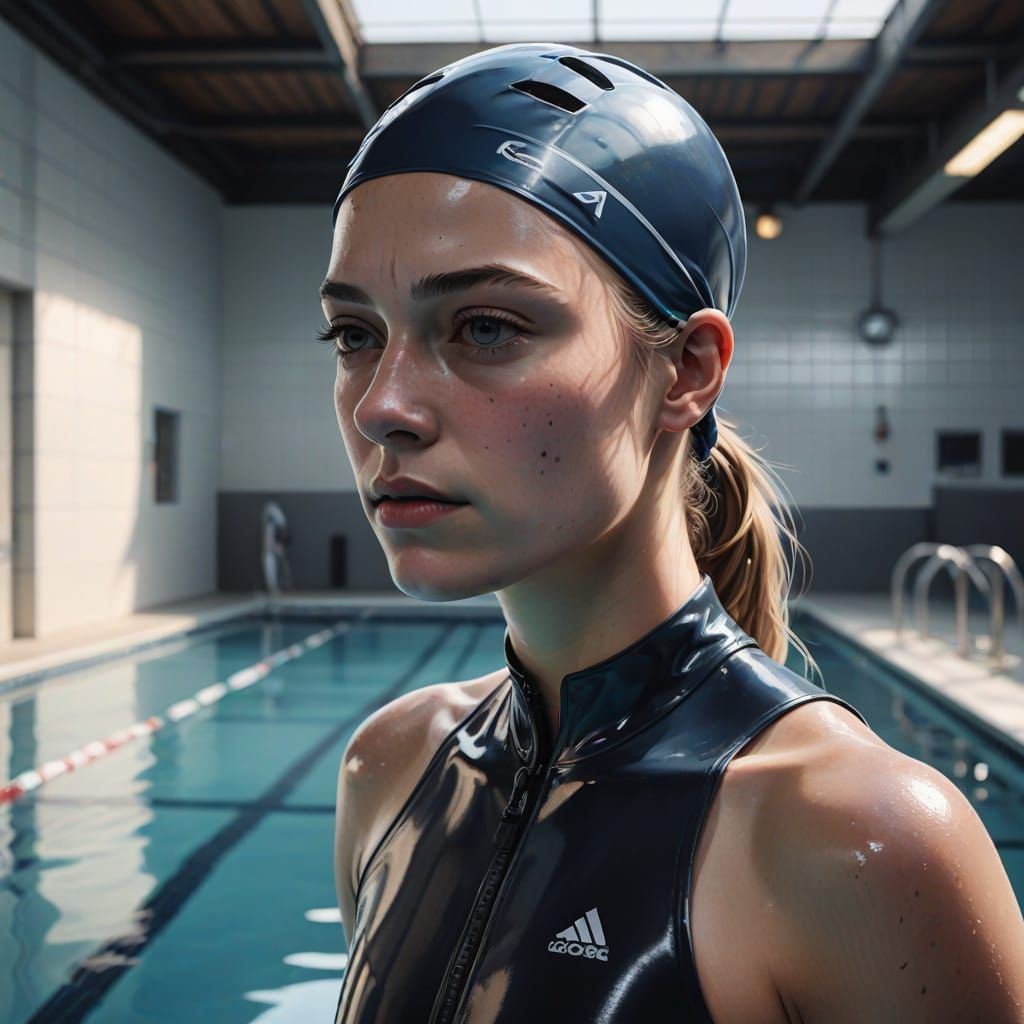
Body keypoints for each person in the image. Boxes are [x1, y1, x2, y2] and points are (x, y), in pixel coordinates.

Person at [319, 43, 1024, 1023]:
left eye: (484, 327)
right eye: (354, 334)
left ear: (688, 369)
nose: (381, 406)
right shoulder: (389, 769)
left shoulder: (857, 840)